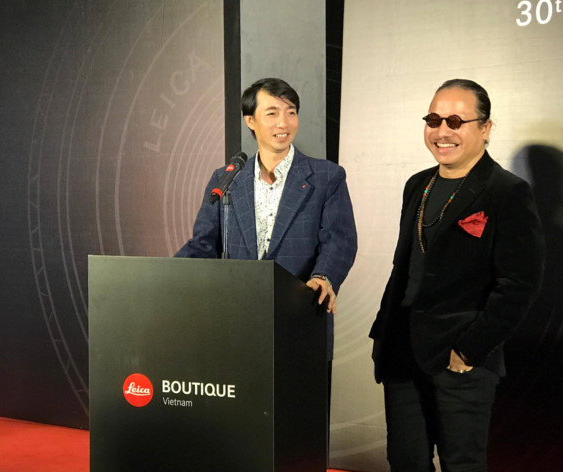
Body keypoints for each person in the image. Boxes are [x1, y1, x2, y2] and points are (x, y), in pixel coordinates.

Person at [369, 79, 544, 472]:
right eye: (433, 120)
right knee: (405, 461)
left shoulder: (506, 191)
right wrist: (384, 331)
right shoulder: (417, 184)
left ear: (485, 127)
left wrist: (469, 350)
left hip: (461, 357)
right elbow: (404, 267)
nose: (442, 131)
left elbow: (519, 284)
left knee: (461, 464)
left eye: (455, 121)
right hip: (401, 353)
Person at [176, 77, 357, 351]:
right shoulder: (227, 179)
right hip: (235, 324)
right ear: (250, 121)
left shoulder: (326, 176)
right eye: (272, 114)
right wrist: (165, 275)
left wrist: (324, 276)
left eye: (291, 112)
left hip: (300, 319)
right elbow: (203, 244)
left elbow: (339, 240)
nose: (283, 123)